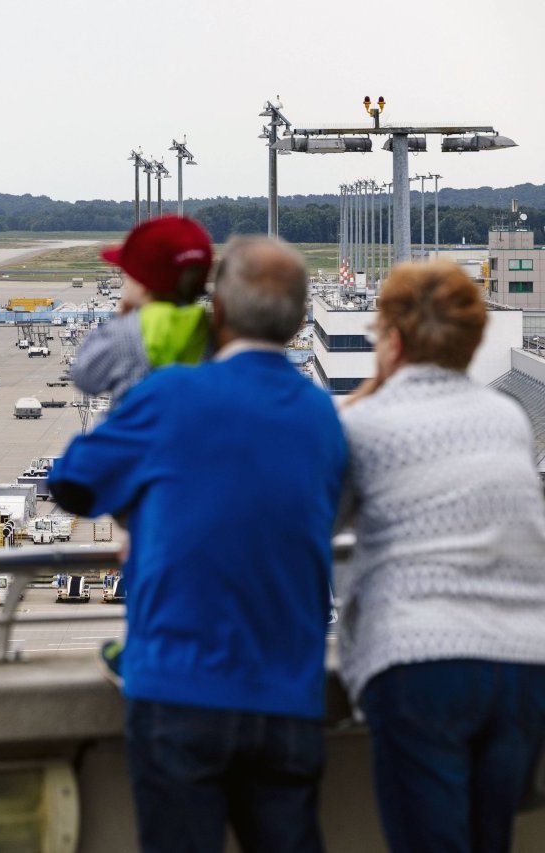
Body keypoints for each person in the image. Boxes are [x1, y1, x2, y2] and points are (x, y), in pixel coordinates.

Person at [50, 235, 346, 852]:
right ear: (298, 322)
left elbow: (71, 486)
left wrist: (134, 329)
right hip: (288, 696)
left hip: (181, 692)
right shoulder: (322, 416)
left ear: (220, 312)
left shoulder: (171, 396)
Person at [338, 260, 545, 853]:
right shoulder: (507, 418)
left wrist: (366, 393)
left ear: (393, 340)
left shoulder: (366, 424)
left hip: (421, 658)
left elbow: (318, 520)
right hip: (522, 660)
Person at [71, 216, 213, 406]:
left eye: (126, 274)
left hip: (136, 433)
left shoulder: (125, 332)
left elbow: (85, 376)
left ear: (142, 285)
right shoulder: (213, 332)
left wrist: (119, 320)